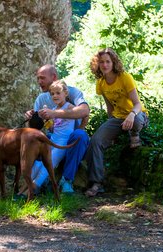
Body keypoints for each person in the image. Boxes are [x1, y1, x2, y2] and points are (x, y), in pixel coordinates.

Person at [85, 48, 149, 197]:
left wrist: (131, 115)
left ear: (113, 63)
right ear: (97, 64)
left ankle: (134, 134)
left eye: (108, 61)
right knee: (95, 141)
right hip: (117, 118)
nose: (105, 65)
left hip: (137, 115)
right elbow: (110, 108)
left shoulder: (125, 77)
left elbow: (138, 104)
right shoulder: (101, 83)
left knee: (136, 120)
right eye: (101, 62)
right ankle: (96, 183)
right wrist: (110, 133)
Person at [25, 64, 90, 193]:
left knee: (80, 135)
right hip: (54, 137)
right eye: (38, 78)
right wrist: (30, 117)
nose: (39, 82)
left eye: (42, 78)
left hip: (71, 139)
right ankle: (34, 183)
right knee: (37, 140)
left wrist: (55, 114)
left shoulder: (71, 92)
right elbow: (36, 128)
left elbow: (84, 111)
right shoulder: (41, 98)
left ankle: (66, 180)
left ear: (53, 77)